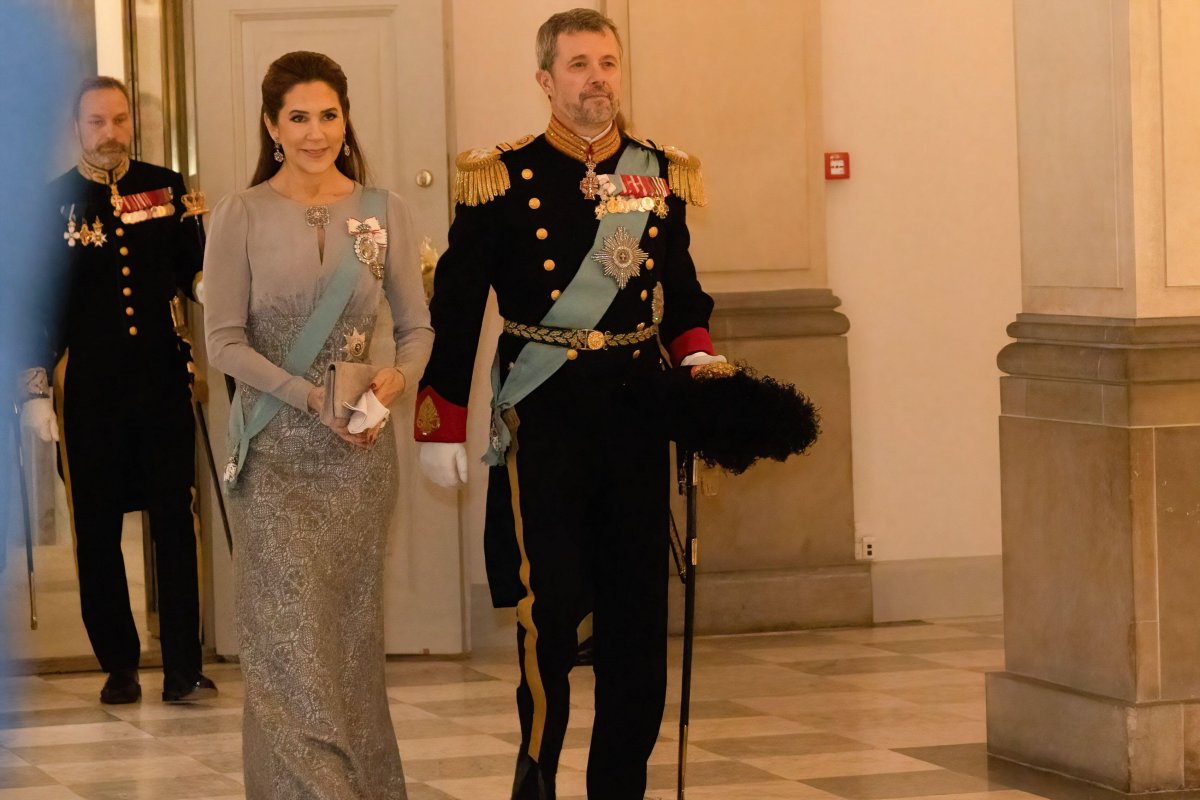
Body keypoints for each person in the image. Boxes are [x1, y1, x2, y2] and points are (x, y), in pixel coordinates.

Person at [414, 9, 725, 799]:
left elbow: (682, 293)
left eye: (608, 63)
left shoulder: (657, 174)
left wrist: (698, 359)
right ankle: (538, 773)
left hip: (635, 416)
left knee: (636, 616)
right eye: (579, 64)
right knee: (547, 613)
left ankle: (618, 786)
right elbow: (458, 307)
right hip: (544, 419)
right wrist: (441, 421)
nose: (597, 79)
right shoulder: (500, 177)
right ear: (546, 80)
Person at [203, 51, 432, 799]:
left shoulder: (384, 208)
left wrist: (396, 379)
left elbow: (417, 328)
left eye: (328, 115)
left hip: (358, 457)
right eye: (298, 117)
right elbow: (223, 343)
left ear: (345, 119)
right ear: (272, 126)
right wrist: (309, 399)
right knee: (288, 648)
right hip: (273, 457)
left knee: (349, 644)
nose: (315, 132)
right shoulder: (240, 213)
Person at [21, 76, 214, 705]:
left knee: (175, 520)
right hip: (92, 388)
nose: (110, 133)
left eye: (120, 120)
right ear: (76, 128)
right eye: (97, 122)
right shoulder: (51, 204)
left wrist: (213, 287)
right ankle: (120, 664)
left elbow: (194, 269)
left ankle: (184, 665)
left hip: (161, 380)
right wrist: (33, 391)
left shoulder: (166, 186)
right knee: (97, 527)